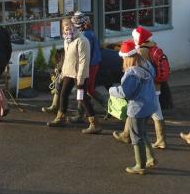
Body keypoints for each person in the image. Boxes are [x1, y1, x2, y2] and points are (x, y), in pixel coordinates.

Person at [113, 26, 168, 149]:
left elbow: (142, 70)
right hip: (154, 86)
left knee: (150, 113)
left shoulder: (142, 51)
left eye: (134, 37)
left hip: (148, 87)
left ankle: (160, 140)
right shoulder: (152, 46)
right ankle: (127, 134)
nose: (133, 39)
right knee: (147, 111)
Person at [109, 40, 158, 175]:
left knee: (136, 136)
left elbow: (125, 92)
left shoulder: (131, 73)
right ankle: (151, 158)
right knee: (143, 133)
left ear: (126, 57)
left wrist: (111, 90)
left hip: (137, 108)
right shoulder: (146, 64)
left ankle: (140, 166)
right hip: (149, 105)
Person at [47, 18, 101, 134]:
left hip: (79, 75)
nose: (66, 29)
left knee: (82, 98)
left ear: (74, 26)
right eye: (64, 27)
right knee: (63, 93)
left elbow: (83, 60)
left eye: (69, 26)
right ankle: (60, 118)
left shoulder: (82, 40)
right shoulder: (67, 39)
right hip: (68, 73)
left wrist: (81, 78)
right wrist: (62, 73)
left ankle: (94, 123)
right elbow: (67, 58)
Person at [68, 11, 103, 124]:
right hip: (93, 64)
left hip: (89, 65)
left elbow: (84, 55)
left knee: (84, 89)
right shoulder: (90, 32)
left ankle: (80, 114)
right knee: (86, 89)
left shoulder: (85, 35)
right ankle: (105, 106)